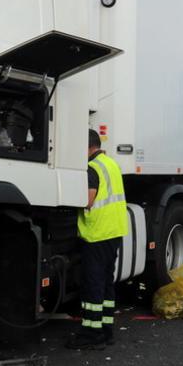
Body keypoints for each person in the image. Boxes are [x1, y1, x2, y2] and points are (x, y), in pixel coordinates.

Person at [67, 129, 129, 350]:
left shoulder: (92, 168)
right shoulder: (110, 163)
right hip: (114, 232)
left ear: (87, 146)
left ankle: (91, 334)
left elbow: (88, 200)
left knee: (92, 284)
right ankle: (106, 331)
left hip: (97, 234)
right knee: (106, 283)